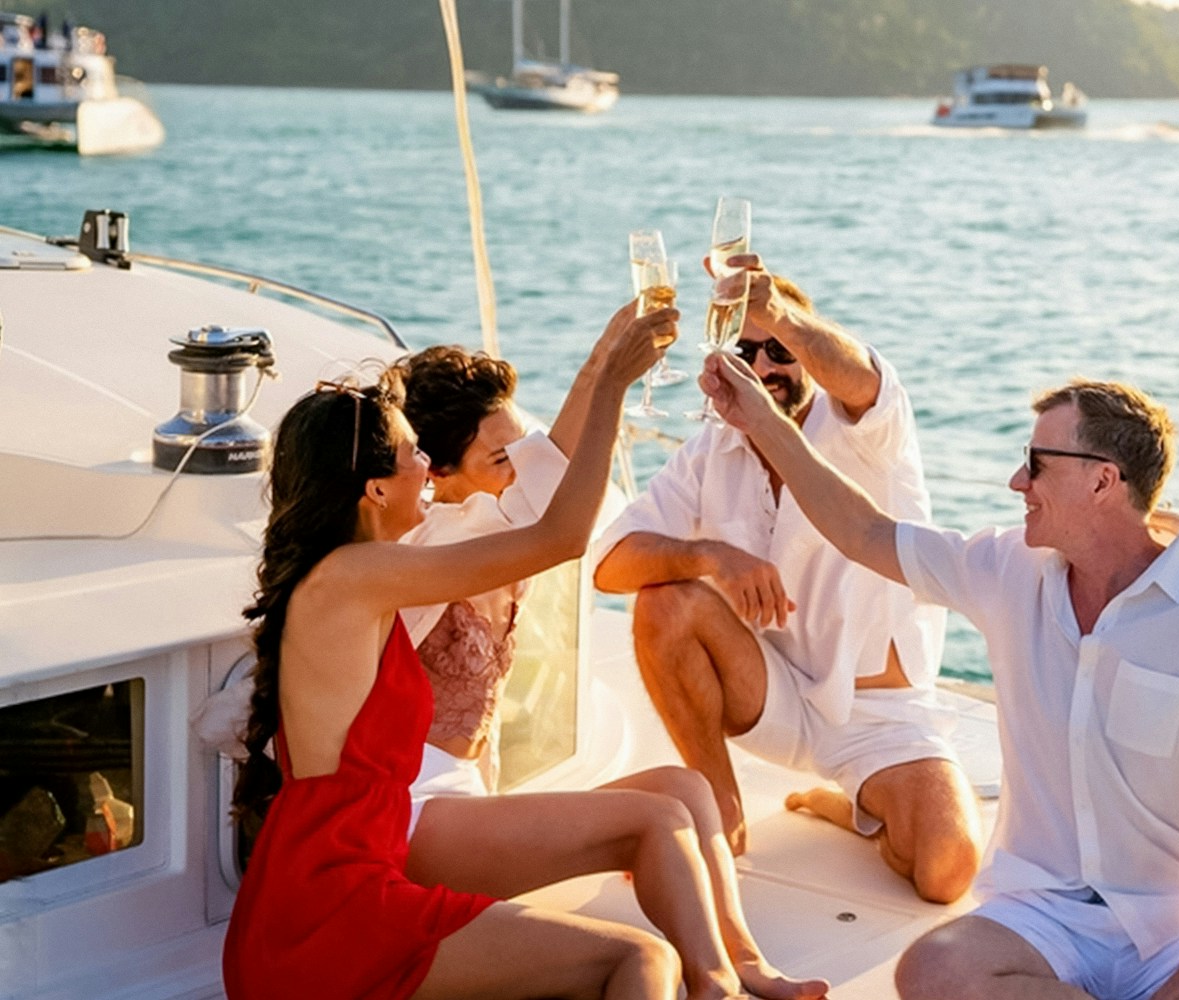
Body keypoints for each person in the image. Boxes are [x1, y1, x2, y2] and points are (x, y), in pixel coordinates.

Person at [699, 355, 1179, 1000]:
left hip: (1173, 923)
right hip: (1040, 917)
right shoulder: (1005, 568)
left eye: (1038, 462)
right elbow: (862, 530)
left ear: (1104, 482)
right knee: (933, 970)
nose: (1018, 480)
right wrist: (763, 422)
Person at [222, 303, 761, 1000]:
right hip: (332, 917)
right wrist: (614, 390)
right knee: (642, 961)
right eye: (413, 454)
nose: (428, 468)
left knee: (635, 951)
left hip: (334, 902)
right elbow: (561, 535)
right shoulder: (356, 578)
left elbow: (540, 500)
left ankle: (728, 976)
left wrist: (604, 366)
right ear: (375, 488)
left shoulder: (352, 577)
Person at [386, 325, 826, 1000]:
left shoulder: (490, 516)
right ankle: (714, 988)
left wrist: (608, 353)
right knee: (657, 821)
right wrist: (609, 379)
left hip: (466, 801)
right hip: (416, 811)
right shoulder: (439, 543)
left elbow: (550, 465)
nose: (521, 469)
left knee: (686, 790)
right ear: (438, 473)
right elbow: (559, 501)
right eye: (501, 458)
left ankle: (742, 960)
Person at [593, 260, 981, 904]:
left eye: (781, 350)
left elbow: (858, 374)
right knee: (666, 600)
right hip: (771, 691)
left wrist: (782, 316)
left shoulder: (865, 428)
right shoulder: (713, 449)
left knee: (946, 870)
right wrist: (711, 556)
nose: (765, 366)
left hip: (877, 717)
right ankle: (722, 810)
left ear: (806, 354)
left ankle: (850, 808)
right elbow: (610, 564)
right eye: (746, 351)